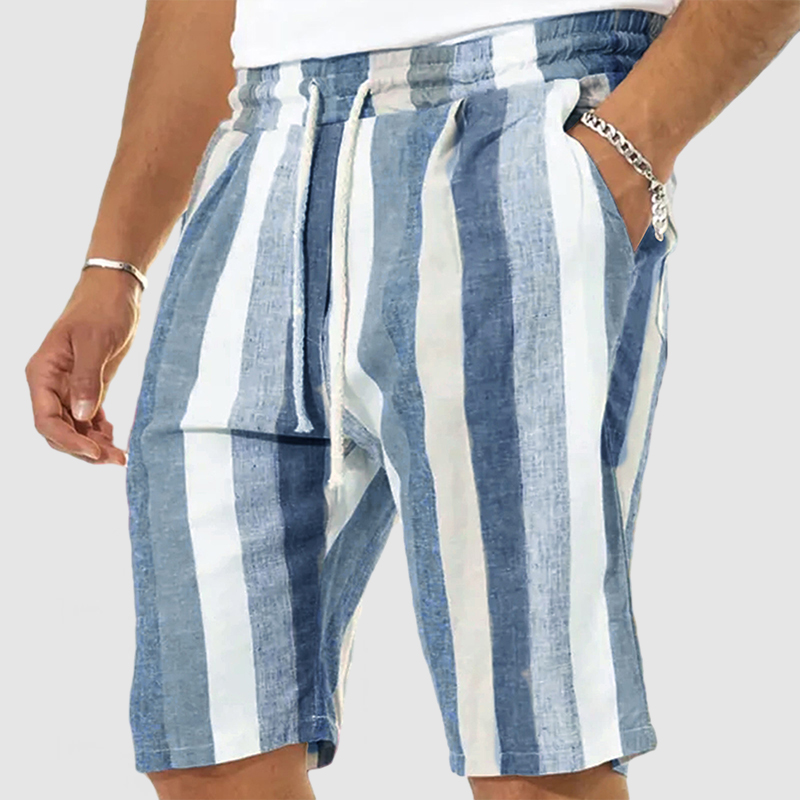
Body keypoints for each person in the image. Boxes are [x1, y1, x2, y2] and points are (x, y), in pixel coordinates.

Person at [24, 1, 799, 798]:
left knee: (534, 749)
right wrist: (114, 264)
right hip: (260, 144)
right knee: (207, 743)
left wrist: (629, 146)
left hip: (517, 111)